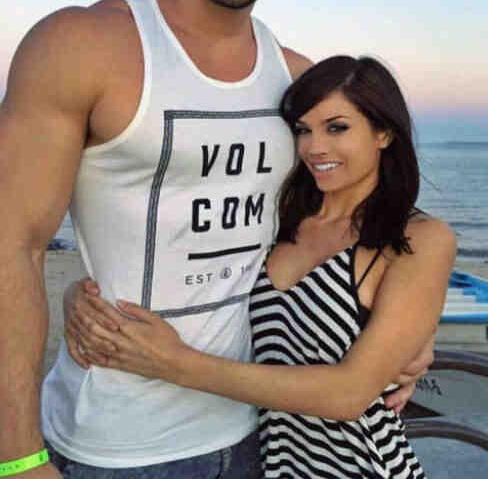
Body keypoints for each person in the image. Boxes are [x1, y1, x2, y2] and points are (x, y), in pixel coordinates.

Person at [0, 0, 431, 476]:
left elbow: (370, 219)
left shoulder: (298, 85)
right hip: (115, 445)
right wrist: (16, 456)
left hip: (264, 432)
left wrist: (409, 329)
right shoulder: (84, 46)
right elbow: (13, 244)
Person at [66, 55, 456, 478]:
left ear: (383, 132)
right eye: (303, 130)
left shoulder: (419, 239)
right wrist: (81, 297)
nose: (314, 148)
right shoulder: (278, 217)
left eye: (337, 128)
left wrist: (175, 363)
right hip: (271, 464)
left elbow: (349, 395)